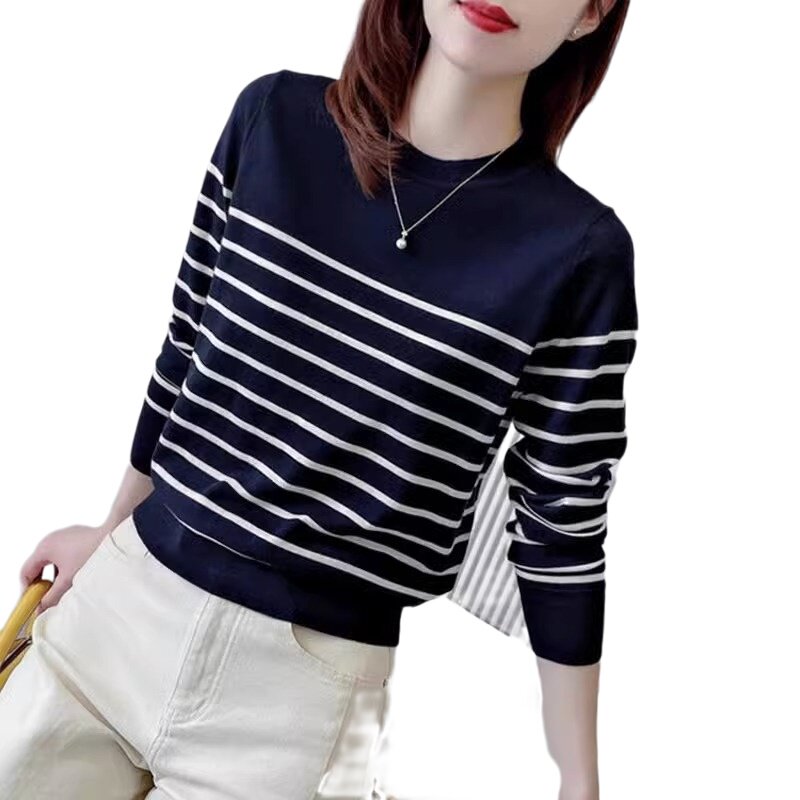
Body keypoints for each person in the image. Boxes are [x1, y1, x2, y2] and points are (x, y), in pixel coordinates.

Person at [0, 0, 638, 797]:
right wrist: (111, 528)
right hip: (119, 610)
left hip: (305, 707)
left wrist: (578, 775)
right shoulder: (273, 120)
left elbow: (560, 525)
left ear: (590, 13)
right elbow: (187, 349)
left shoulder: (576, 254)